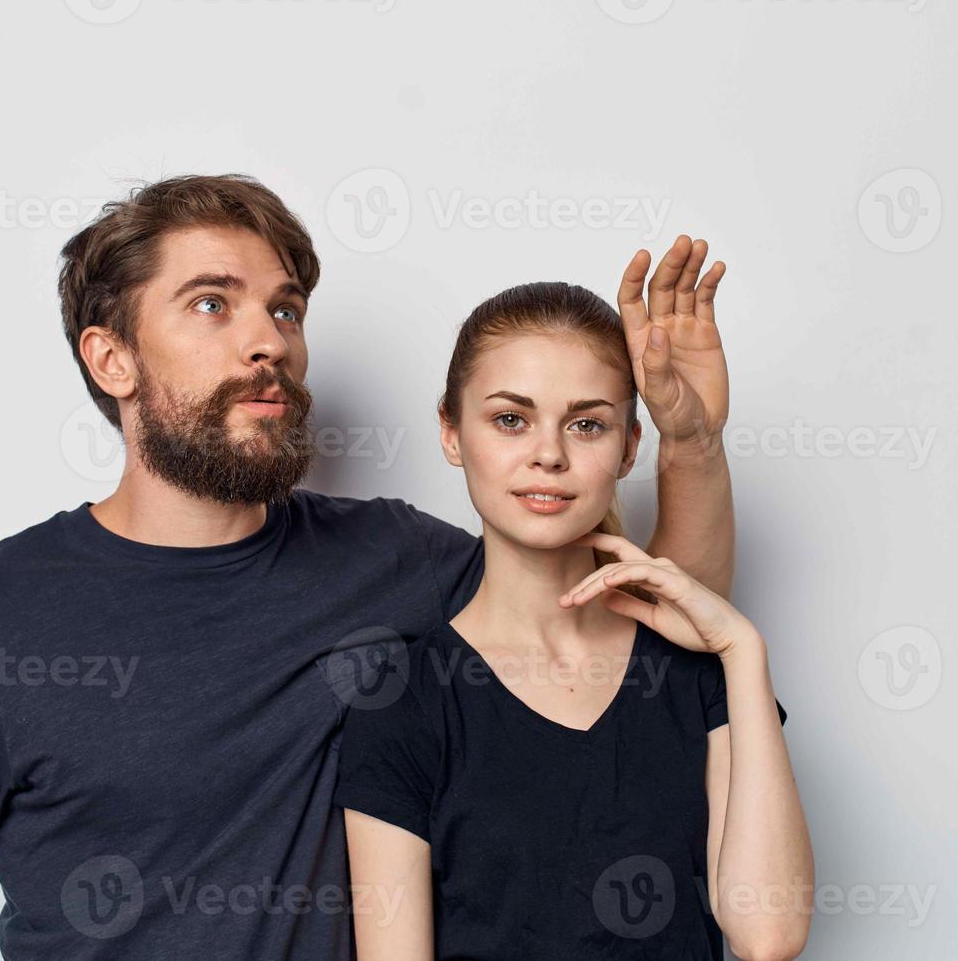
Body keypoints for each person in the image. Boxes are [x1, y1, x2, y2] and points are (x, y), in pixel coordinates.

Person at [0, 173, 743, 960]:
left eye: (284, 308)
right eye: (210, 303)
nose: (267, 339)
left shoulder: (390, 556)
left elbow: (650, 625)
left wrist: (691, 440)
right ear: (111, 357)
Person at [336, 282, 813, 960]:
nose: (549, 455)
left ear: (627, 448)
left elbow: (769, 934)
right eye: (510, 419)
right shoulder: (405, 700)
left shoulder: (691, 669)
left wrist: (740, 646)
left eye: (586, 423)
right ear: (450, 431)